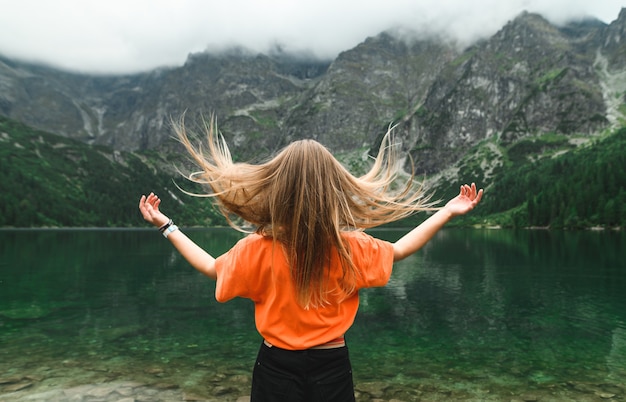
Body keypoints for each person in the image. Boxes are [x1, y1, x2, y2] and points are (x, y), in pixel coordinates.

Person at [138, 118, 483, 402]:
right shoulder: (349, 248)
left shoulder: (256, 249)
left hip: (275, 366)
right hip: (331, 365)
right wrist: (447, 212)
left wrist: (167, 226)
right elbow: (402, 249)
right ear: (332, 190)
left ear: (277, 191)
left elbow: (210, 267)